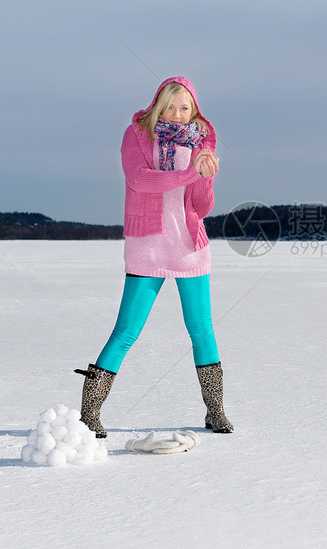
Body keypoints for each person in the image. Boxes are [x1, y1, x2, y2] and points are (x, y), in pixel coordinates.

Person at [74, 76, 233, 437]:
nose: (177, 115)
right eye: (171, 106)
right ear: (158, 106)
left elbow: (201, 206)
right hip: (148, 246)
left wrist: (205, 177)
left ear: (194, 111)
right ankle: (89, 413)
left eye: (185, 108)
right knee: (127, 330)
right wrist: (191, 171)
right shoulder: (137, 137)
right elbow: (140, 179)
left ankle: (215, 411)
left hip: (190, 247)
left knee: (201, 330)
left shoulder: (202, 141)